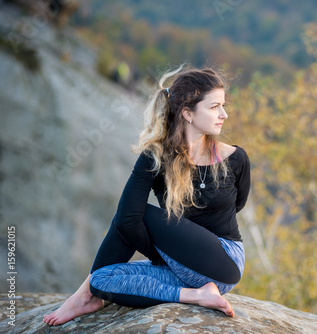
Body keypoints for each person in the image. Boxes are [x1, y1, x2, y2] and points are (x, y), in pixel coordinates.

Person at [43, 67, 251, 326]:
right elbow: (127, 222)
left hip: (224, 261)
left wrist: (165, 248)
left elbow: (236, 206)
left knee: (136, 212)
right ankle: (195, 295)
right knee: (101, 280)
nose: (224, 114)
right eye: (214, 107)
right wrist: (167, 253)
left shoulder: (235, 158)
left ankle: (81, 296)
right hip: (181, 265)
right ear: (187, 113)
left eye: (223, 106)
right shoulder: (155, 157)